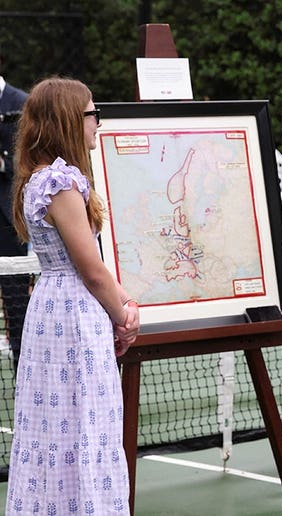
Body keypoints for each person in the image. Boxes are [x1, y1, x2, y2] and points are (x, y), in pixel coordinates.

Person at [5, 77, 139, 514]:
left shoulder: (42, 178)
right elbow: (91, 269)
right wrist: (122, 312)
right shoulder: (60, 182)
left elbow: (93, 268)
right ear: (69, 119)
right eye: (91, 114)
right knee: (83, 422)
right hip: (72, 314)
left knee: (59, 426)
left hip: (55, 305)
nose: (98, 123)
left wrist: (124, 308)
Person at [0, 44, 30, 376]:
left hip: (7, 219)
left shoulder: (21, 102)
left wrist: (3, 162)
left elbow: (25, 161)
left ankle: (24, 370)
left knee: (16, 299)